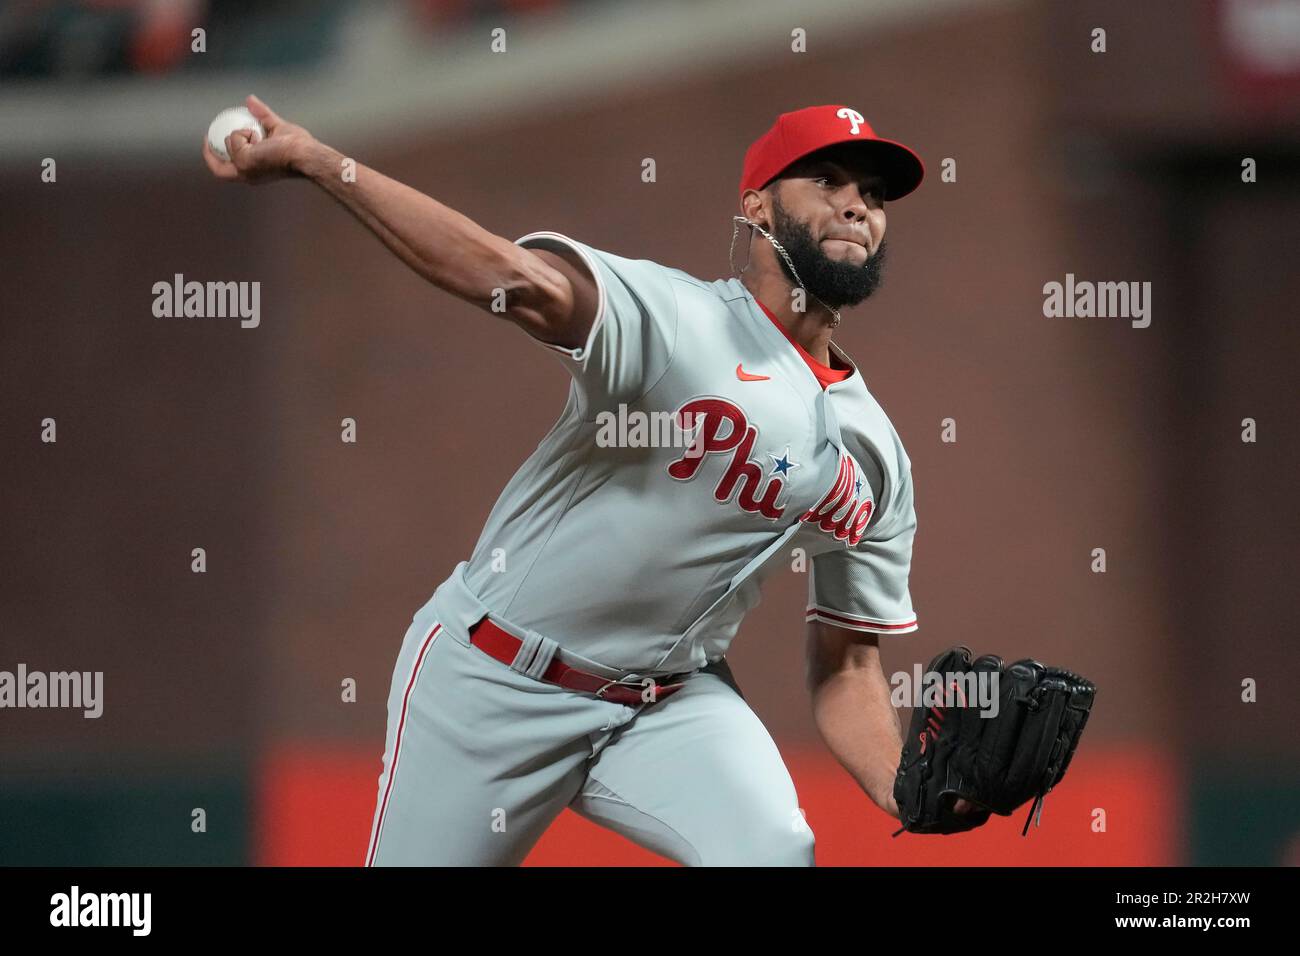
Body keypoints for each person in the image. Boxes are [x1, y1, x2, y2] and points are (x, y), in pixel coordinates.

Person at [204, 98, 968, 866]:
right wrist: (314, 159)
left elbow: (848, 665)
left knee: (772, 850)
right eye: (827, 179)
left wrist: (906, 789)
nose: (856, 205)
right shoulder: (674, 320)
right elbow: (506, 274)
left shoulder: (877, 454)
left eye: (873, 194)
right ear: (757, 204)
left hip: (666, 704)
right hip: (492, 680)